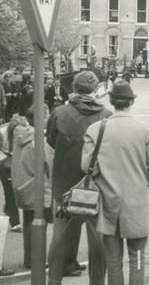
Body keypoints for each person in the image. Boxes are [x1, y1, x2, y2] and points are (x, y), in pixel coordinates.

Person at [81, 80, 149, 285]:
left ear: (111, 101)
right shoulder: (144, 131)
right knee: (137, 259)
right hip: (136, 203)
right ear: (131, 102)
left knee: (113, 261)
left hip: (108, 204)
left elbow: (86, 166)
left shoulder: (95, 129)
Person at [47, 71, 112, 285]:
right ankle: (96, 282)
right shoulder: (106, 114)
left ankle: (54, 281)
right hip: (96, 182)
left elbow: (52, 141)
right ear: (95, 89)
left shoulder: (59, 112)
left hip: (65, 181)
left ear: (74, 87)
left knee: (60, 237)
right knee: (98, 239)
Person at [12, 104, 53, 270]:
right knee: (38, 225)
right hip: (37, 186)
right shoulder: (37, 140)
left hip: (22, 184)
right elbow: (49, 164)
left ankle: (29, 258)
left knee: (29, 223)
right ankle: (36, 260)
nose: (48, 119)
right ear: (40, 118)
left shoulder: (20, 133)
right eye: (46, 115)